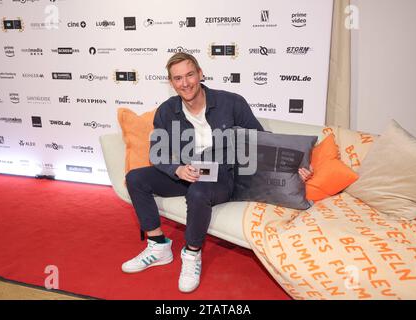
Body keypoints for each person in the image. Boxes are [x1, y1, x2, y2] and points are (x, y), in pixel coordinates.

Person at [122, 52, 313, 293]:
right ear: (171, 83)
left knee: (199, 192)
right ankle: (158, 245)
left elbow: (260, 140)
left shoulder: (231, 102)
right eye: (178, 78)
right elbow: (157, 154)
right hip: (188, 172)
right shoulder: (167, 111)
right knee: (136, 178)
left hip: (223, 176)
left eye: (190, 75)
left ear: (201, 74)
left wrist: (293, 164)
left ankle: (191, 255)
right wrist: (177, 169)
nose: (185, 83)